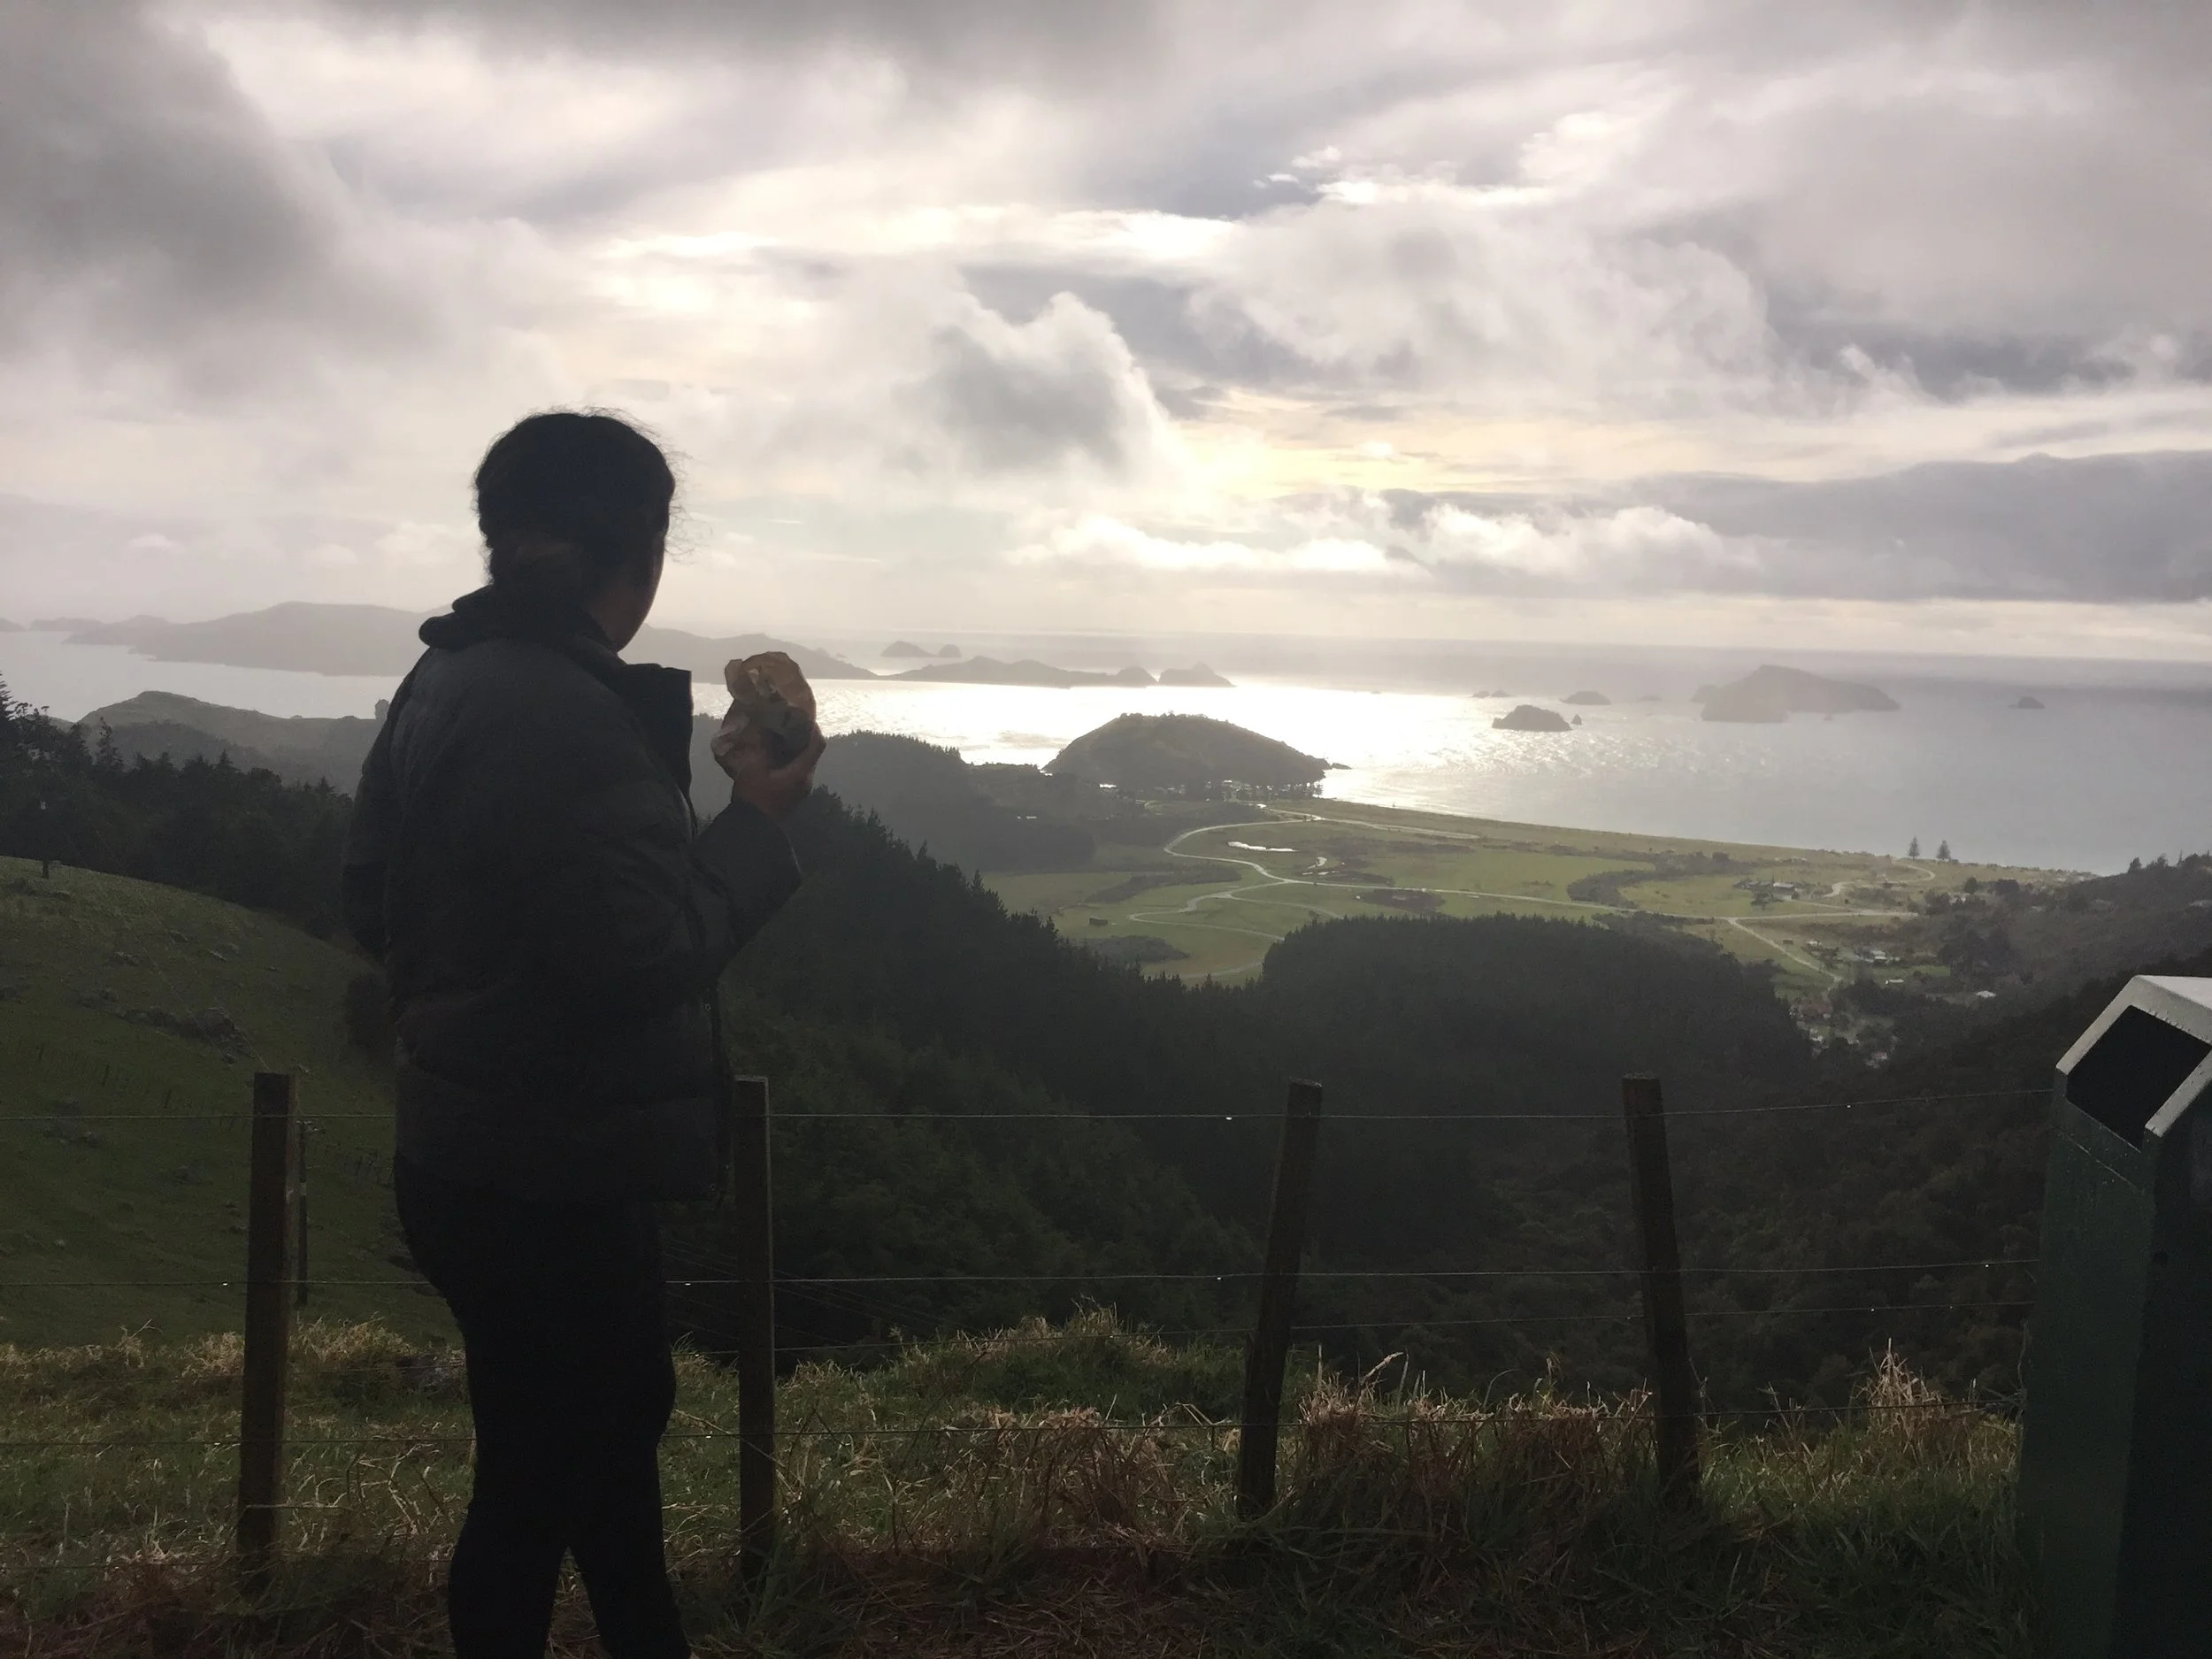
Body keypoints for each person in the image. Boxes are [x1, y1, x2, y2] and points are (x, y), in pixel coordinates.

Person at [342, 411, 824, 1659]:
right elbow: (646, 956)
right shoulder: (562, 709)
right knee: (542, 1482)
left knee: (595, 1439)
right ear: (640, 550)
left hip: (461, 1146)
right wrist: (757, 821)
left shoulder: (444, 675)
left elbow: (366, 895)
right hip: (552, 1171)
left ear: (503, 539)